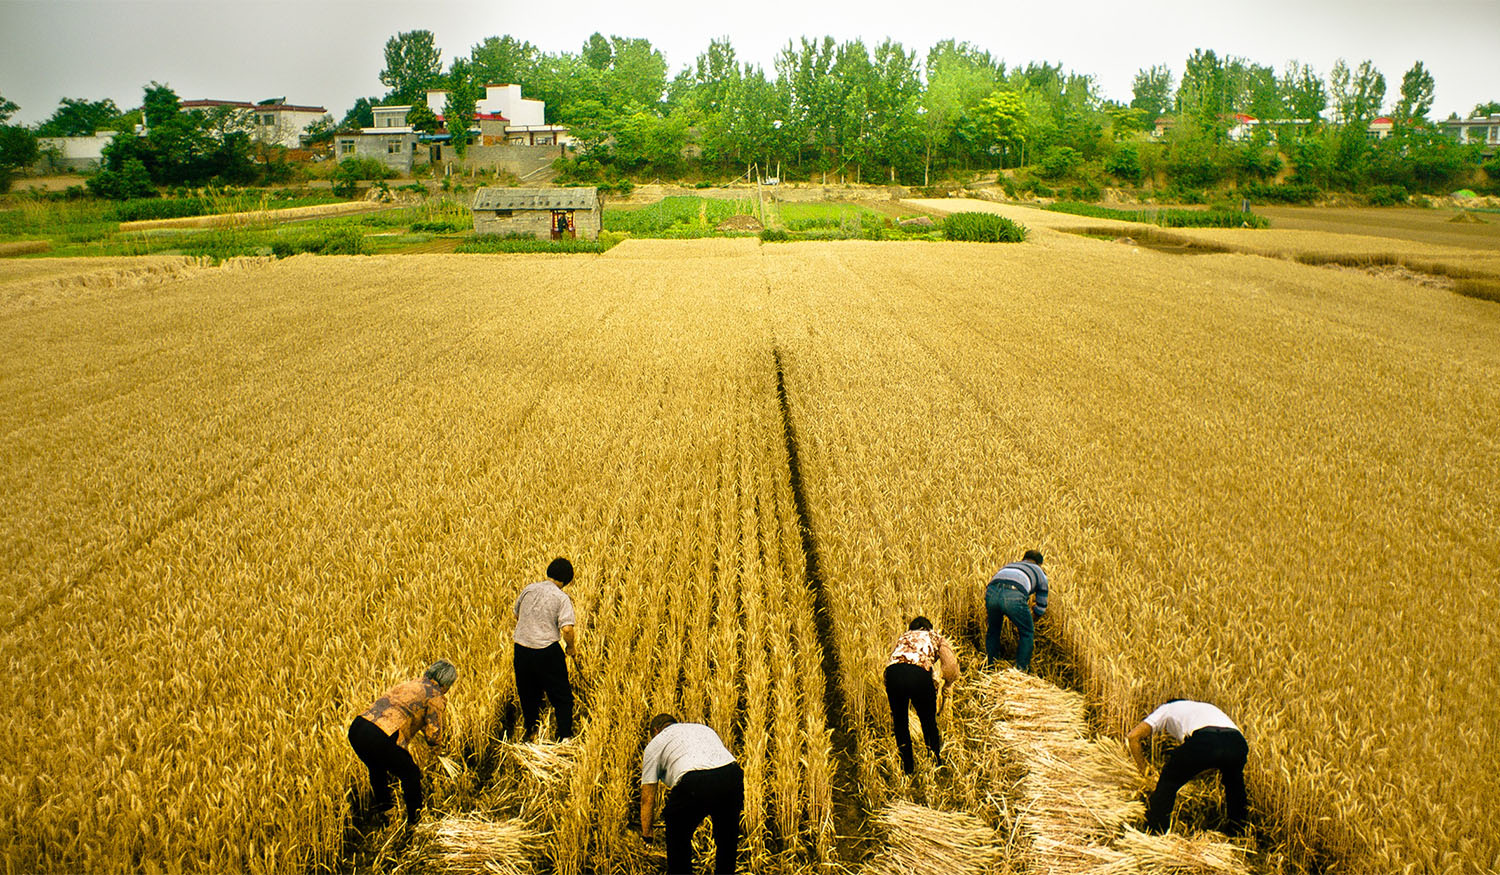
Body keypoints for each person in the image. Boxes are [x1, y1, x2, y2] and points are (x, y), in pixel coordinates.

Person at [347, 659, 456, 827]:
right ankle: (416, 822)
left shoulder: (413, 683)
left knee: (377, 767)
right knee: (410, 773)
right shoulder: (435, 695)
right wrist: (439, 751)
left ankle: (385, 813)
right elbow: (433, 736)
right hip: (380, 734)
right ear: (446, 684)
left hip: (358, 727)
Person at [639, 713, 743, 875]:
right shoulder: (702, 729)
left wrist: (647, 835)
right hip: (731, 774)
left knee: (677, 833)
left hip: (694, 781)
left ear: (655, 730)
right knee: (727, 839)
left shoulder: (656, 743)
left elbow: (647, 797)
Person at [1126, 698, 1249, 835]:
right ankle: (1239, 834)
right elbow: (1212, 757)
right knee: (1234, 785)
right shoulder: (1205, 707)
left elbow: (1133, 737)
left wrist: (1145, 771)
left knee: (1168, 779)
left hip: (1207, 738)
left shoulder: (1167, 708)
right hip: (1238, 742)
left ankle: (1155, 832)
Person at [884, 616, 960, 774]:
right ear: (929, 628)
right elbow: (951, 666)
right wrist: (947, 683)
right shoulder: (935, 637)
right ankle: (935, 761)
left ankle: (908, 768)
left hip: (892, 674)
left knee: (900, 722)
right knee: (928, 721)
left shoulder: (904, 637)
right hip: (918, 674)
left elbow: (895, 659)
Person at [513, 557, 579, 741]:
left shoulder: (529, 589)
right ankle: (565, 736)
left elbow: (517, 615)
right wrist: (571, 648)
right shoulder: (561, 597)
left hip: (521, 649)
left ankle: (531, 732)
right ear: (566, 580)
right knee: (561, 695)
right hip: (546, 651)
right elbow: (567, 628)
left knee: (527, 692)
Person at [985, 550, 1048, 671]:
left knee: (993, 629)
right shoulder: (1039, 572)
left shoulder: (1010, 565)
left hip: (991, 592)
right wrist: (1031, 620)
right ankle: (1021, 670)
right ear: (1039, 564)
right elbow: (1041, 607)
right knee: (1027, 632)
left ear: (1024, 559)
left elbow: (992, 583)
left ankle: (990, 666)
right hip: (1014, 594)